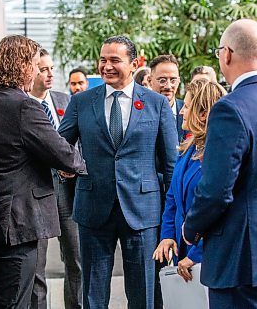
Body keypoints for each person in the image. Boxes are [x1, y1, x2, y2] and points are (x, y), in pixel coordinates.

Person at [182, 19, 257, 308]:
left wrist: (191, 227)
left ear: (227, 54)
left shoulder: (229, 108)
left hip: (240, 255)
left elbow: (216, 190)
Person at [58, 35, 178, 309]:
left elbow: (170, 164)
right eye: (103, 60)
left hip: (143, 211)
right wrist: (69, 168)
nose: (106, 66)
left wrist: (173, 216)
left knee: (143, 292)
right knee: (93, 293)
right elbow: (61, 145)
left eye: (114, 60)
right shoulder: (82, 101)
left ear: (134, 64)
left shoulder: (156, 103)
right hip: (93, 209)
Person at [0, 35, 87, 309]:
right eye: (35, 64)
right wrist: (79, 166)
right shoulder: (24, 106)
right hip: (17, 223)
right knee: (14, 302)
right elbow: (62, 153)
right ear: (22, 65)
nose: (37, 71)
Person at [153, 79, 226, 282]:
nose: (182, 111)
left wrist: (196, 255)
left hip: (207, 256)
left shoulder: (219, 151)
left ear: (203, 114)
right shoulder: (189, 146)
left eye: (186, 106)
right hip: (181, 249)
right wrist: (167, 235)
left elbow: (219, 208)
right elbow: (172, 197)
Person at [28, 49, 82, 309]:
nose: (50, 73)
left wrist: (72, 165)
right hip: (36, 191)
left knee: (77, 258)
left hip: (68, 192)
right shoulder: (24, 105)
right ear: (31, 70)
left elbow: (77, 142)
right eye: (43, 69)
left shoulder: (65, 100)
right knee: (36, 265)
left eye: (51, 68)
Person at [148, 55, 184, 143]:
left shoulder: (189, 111)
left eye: (173, 80)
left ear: (179, 81)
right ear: (150, 81)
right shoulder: (140, 112)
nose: (168, 86)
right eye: (162, 80)